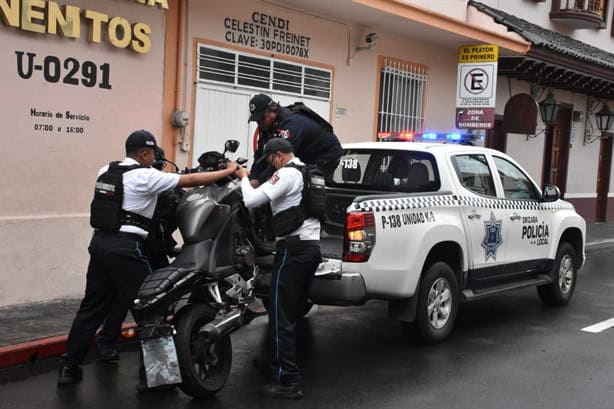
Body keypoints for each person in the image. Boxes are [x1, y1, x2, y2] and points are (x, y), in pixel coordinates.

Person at [57, 130, 239, 386]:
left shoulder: (106, 171)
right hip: (126, 249)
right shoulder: (145, 176)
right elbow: (191, 180)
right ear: (144, 153)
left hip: (99, 245)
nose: (155, 158)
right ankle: (156, 376)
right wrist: (227, 171)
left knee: (91, 309)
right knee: (152, 307)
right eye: (152, 153)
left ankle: (68, 367)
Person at [236, 138, 322, 400]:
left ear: (279, 156)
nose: (271, 167)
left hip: (292, 253)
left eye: (271, 161)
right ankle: (272, 361)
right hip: (311, 250)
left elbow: (251, 200)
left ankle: (288, 381)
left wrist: (242, 176)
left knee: (280, 316)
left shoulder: (286, 174)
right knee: (290, 313)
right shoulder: (310, 173)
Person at [93, 147, 183, 364]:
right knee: (151, 307)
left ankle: (103, 345)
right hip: (141, 250)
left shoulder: (127, 178)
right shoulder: (149, 182)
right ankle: (159, 367)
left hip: (144, 248)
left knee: (120, 301)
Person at [248, 94, 342, 186]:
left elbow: (282, 160)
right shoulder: (265, 126)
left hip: (325, 154)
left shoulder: (292, 124)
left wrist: (260, 181)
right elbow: (260, 155)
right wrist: (252, 178)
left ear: (273, 111)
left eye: (262, 119)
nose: (259, 123)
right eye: (257, 120)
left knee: (306, 185)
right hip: (305, 152)